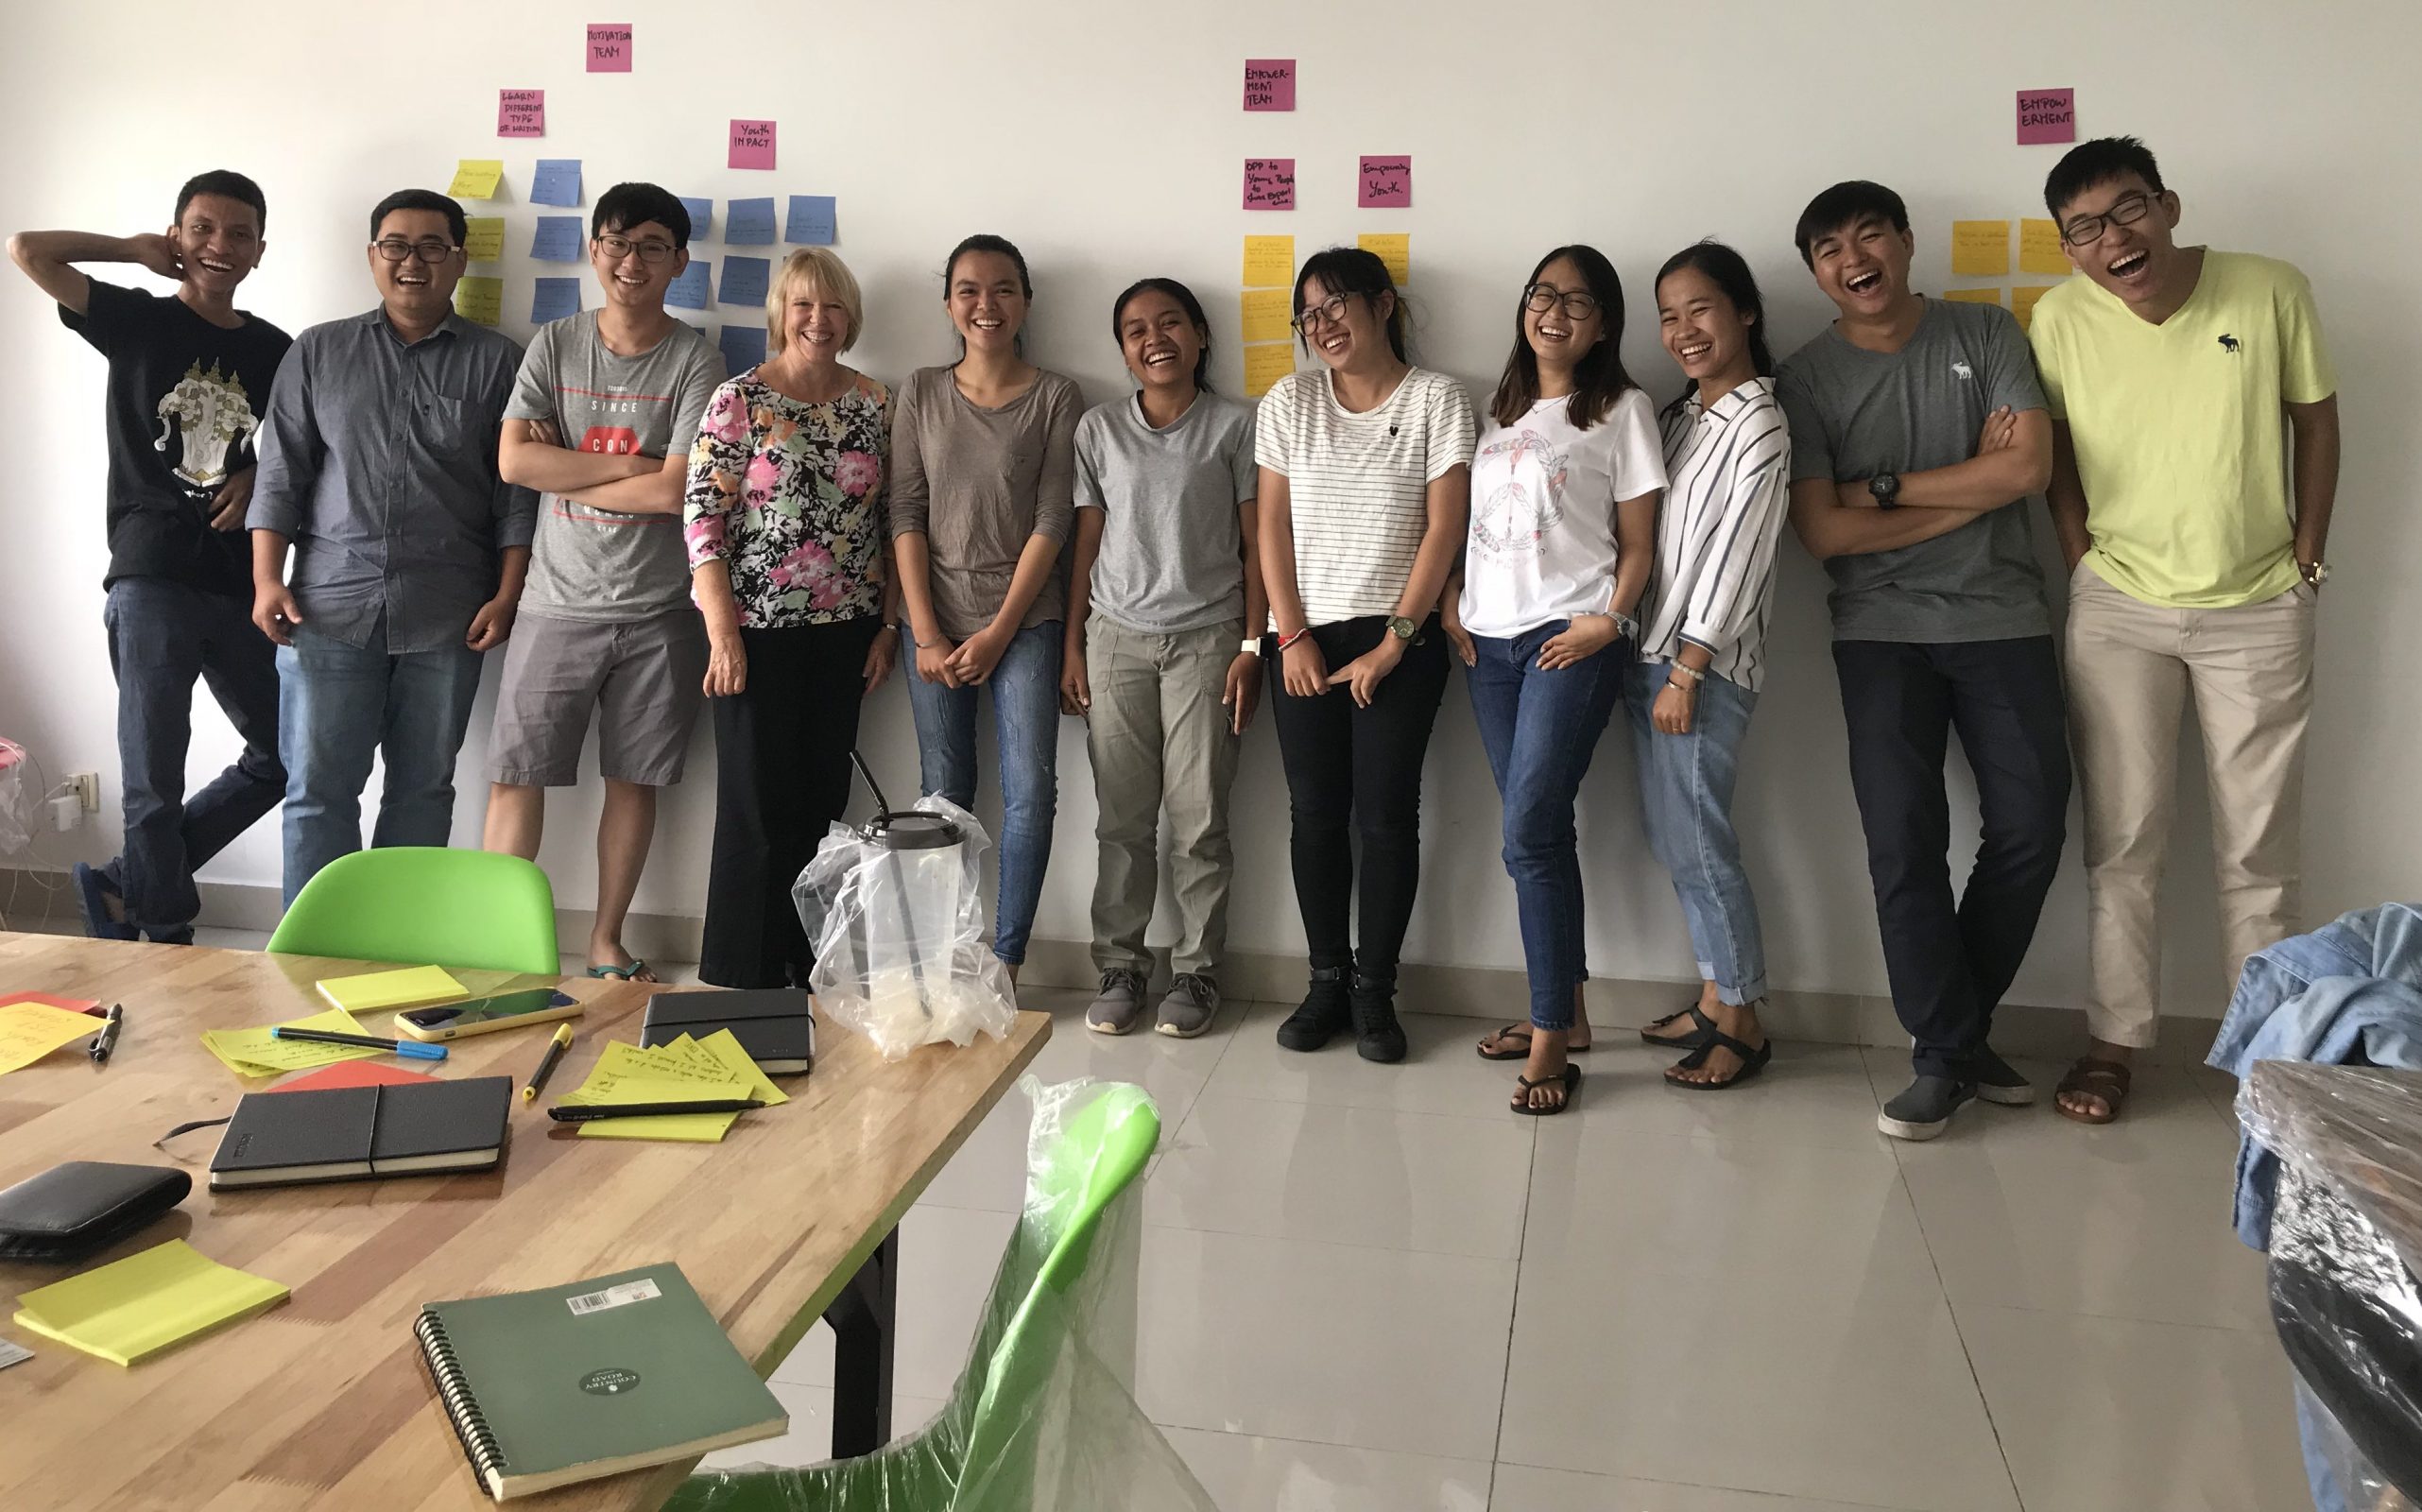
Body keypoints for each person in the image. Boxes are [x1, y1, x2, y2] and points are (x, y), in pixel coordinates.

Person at [2031, 136, 2339, 1124]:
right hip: (2118, 606)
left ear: (2165, 206)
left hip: (2258, 604)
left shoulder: (2269, 288)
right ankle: (2114, 1041)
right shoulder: (2056, 317)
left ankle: (2268, 1064)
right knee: (2122, 840)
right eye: (2083, 228)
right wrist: (2078, 554)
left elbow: (2315, 420)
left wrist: (2307, 557)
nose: (2112, 239)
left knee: (2258, 853)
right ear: (2068, 249)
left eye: (2126, 209)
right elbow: (2056, 450)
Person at [1777, 180, 2070, 1141]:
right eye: (1828, 249)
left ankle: (1950, 1039)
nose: (1852, 258)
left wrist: (1882, 491)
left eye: (1868, 235)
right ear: (1815, 273)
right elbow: (1822, 532)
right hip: (1879, 633)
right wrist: (1968, 491)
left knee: (2031, 827)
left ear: (1904, 242)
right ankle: (1948, 1050)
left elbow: (2026, 469)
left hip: (2004, 619)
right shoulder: (1805, 378)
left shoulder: (1984, 332)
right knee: (1902, 841)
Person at [9, 171, 291, 944]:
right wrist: (131, 251)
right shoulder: (135, 319)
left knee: (285, 756)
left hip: (236, 580)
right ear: (177, 237)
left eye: (239, 233)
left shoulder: (276, 349)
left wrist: (259, 472)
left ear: (260, 250)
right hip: (150, 574)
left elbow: (311, 447)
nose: (220, 245)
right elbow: (27, 249)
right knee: (153, 779)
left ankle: (123, 885)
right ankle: (165, 938)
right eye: (202, 228)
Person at [248, 189, 535, 904]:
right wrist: (266, 579)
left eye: (433, 246)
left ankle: (396, 946)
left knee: (423, 791)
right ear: (373, 256)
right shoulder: (318, 351)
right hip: (326, 609)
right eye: (397, 246)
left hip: (448, 614)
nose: (414, 261)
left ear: (459, 260)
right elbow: (280, 474)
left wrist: (508, 594)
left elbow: (516, 496)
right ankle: (312, 949)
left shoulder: (499, 362)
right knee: (318, 792)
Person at [483, 182, 725, 982]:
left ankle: (605, 940)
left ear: (679, 262)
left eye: (652, 246)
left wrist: (568, 466)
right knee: (516, 775)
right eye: (617, 243)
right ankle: (502, 943)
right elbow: (514, 462)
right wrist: (628, 465)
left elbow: (675, 492)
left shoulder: (697, 359)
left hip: (660, 611)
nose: (632, 261)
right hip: (553, 602)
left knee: (634, 782)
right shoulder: (554, 343)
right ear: (594, 252)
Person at [1443, 246, 1660, 1113]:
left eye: (1576, 301)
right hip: (1487, 647)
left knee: (1529, 831)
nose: (1554, 312)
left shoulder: (1621, 410)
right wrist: (1453, 601)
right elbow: (1468, 523)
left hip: (1566, 639)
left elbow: (1639, 541)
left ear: (1603, 324)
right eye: (1542, 294)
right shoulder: (1494, 413)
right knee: (1536, 831)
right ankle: (1564, 1012)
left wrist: (1611, 618)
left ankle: (1548, 1039)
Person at [1259, 247, 1474, 1062]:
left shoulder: (1438, 399)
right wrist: (1290, 635)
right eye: (1308, 314)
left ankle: (1375, 990)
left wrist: (1395, 644)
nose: (1321, 325)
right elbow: (1269, 526)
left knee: (1386, 818)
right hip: (1304, 640)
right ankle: (1325, 981)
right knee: (1314, 815)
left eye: (1336, 304)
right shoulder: (1288, 400)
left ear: (1383, 304)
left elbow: (1444, 528)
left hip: (1400, 638)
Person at [684, 248, 899, 989]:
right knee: (754, 806)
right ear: (781, 312)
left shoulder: (874, 403)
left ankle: (807, 964)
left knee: (821, 801)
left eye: (833, 305)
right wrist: (722, 636)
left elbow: (892, 523)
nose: (818, 319)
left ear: (851, 316)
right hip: (755, 633)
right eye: (804, 304)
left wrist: (888, 627)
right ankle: (740, 973)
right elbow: (702, 525)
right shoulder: (738, 400)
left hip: (847, 633)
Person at [1064, 278, 1263, 1039]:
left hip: (1208, 640)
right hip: (1115, 639)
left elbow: (1255, 545)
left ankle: (1197, 971)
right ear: (1122, 350)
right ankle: (1120, 965)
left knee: (1199, 819)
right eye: (1136, 330)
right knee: (1121, 819)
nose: (1155, 339)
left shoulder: (1235, 426)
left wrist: (1252, 644)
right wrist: (1074, 644)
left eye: (1171, 323)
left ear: (1200, 335)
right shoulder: (1098, 430)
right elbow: (1086, 542)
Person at [889, 234, 1083, 985]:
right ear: (948, 305)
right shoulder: (920, 390)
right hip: (931, 622)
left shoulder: (1056, 395)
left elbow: (1052, 520)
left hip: (1025, 623)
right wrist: (926, 634)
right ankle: (943, 957)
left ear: (1025, 302)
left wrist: (1000, 632)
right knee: (944, 792)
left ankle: (1005, 960)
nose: (986, 304)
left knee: (1030, 793)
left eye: (1003, 289)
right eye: (968, 290)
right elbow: (905, 510)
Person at [1627, 241, 1793, 1090]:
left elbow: (1739, 560)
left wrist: (1687, 670)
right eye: (1668, 316)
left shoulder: (1759, 421)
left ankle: (1743, 1019)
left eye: (1700, 309)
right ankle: (1711, 997)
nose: (1683, 330)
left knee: (1700, 842)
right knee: (1675, 839)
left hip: (1701, 670)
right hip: (1650, 656)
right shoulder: (1679, 417)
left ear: (1744, 313)